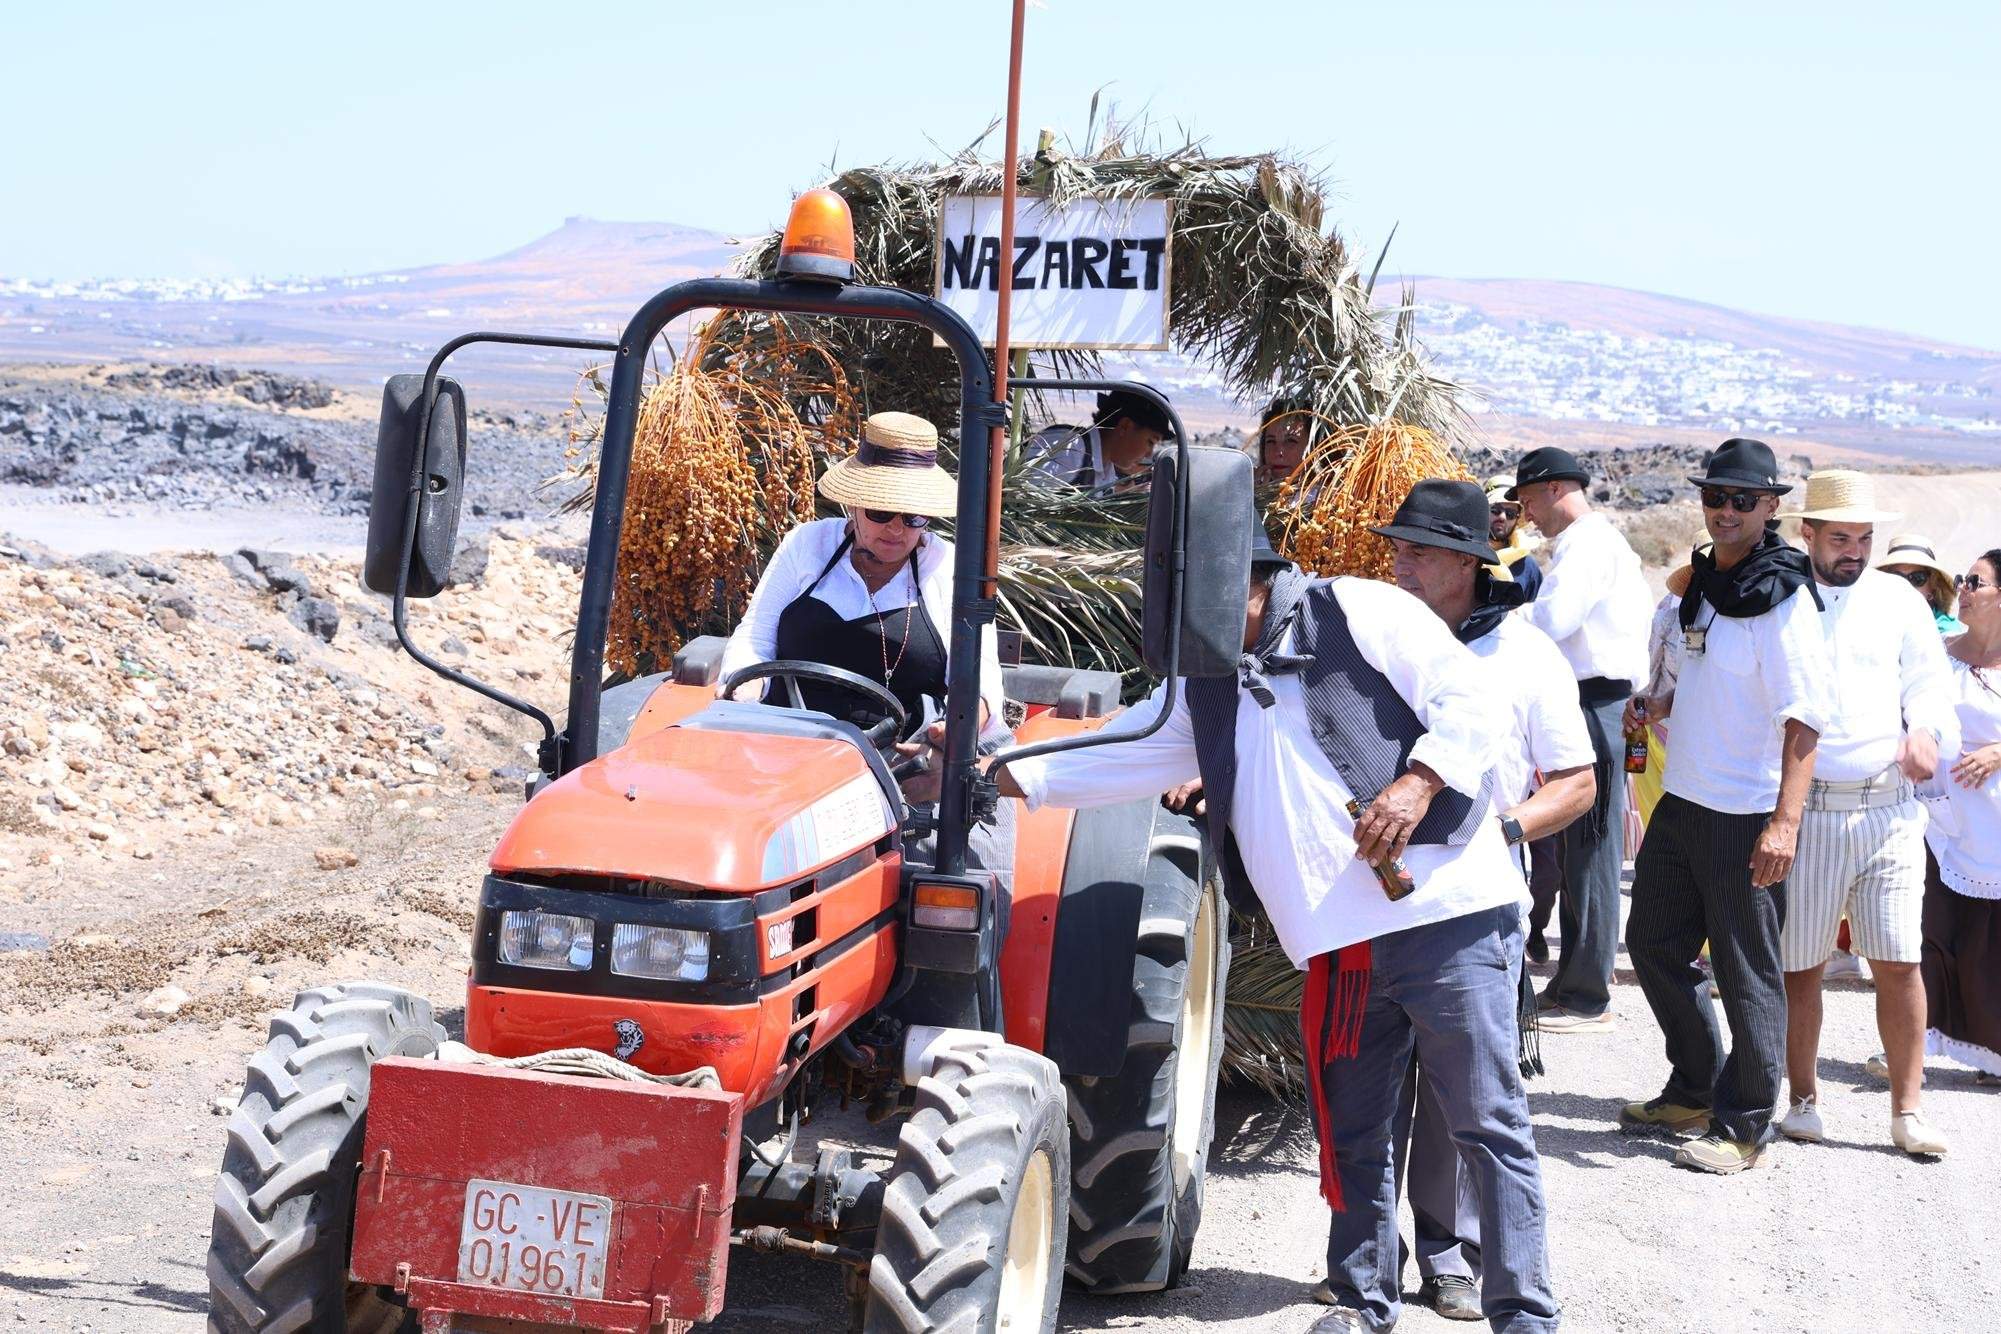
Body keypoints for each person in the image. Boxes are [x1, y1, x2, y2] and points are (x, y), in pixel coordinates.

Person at [947, 508, 1560, 1334]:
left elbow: (1471, 702)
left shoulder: (1358, 609)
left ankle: (1523, 1314)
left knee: (1486, 1122)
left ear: (1237, 583)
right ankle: (1359, 1299)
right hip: (1340, 947)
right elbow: (1120, 753)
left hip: (1447, 919)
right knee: (1354, 1129)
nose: (1169, 621)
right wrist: (993, 776)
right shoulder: (1202, 683)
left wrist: (1417, 784)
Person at [1383, 480, 1596, 1322]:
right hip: (1361, 901)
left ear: (1470, 564)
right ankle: (1365, 1260)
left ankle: (1446, 1252)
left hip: (1471, 906)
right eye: (1396, 548)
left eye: (1420, 551)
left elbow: (1576, 783)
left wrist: (1500, 832)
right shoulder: (1369, 639)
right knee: (1360, 1089)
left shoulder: (1523, 654)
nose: (1400, 563)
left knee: (1453, 1095)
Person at [1619, 438, 1836, 1174]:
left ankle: (1744, 1126)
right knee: (1650, 942)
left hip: (1745, 814)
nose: (1726, 511)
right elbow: (1698, 673)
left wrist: (1784, 822)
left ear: (1771, 508)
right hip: (1683, 800)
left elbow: (1803, 718)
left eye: (1742, 500)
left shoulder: (1783, 600)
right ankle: (1694, 1086)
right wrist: (1655, 702)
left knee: (1747, 974)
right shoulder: (1703, 583)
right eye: (1715, 497)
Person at [719, 410, 1013, 891]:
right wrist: (745, 700)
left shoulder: (948, 568)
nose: (896, 529)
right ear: (854, 506)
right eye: (880, 512)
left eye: (913, 516)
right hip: (786, 746)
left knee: (971, 863)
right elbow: (755, 634)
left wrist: (955, 728)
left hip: (901, 758)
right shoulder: (807, 547)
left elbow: (980, 682)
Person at [1771, 471, 1956, 1157]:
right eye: (1840, 537)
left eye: (1863, 538)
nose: (1853, 550)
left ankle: (1906, 1112)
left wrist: (1927, 730)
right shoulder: (1780, 597)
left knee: (1897, 962)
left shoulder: (1895, 600)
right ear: (1808, 533)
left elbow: (1927, 681)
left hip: (1888, 811)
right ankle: (1801, 1100)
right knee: (1801, 967)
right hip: (1808, 810)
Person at [1508, 446, 1651, 1033]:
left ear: (1551, 489)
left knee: (1591, 850)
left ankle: (1589, 994)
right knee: (1579, 850)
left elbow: (1554, 620)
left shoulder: (1587, 545)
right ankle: (1575, 981)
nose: (1526, 514)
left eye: (1527, 500)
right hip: (1595, 700)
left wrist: (1498, 622)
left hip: (1597, 701)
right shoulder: (1594, 543)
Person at [1917, 547, 2001, 1088]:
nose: (1962, 588)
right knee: (1930, 931)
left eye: (1977, 581)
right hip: (1936, 818)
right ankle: (1915, 1044)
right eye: (1962, 579)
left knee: (1987, 942)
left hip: (1993, 825)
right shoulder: (1937, 655)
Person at [1020, 386, 1174, 493]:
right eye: (1150, 442)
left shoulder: (1105, 468)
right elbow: (1021, 500)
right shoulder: (1071, 451)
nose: (1148, 454)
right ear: (1125, 426)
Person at [1880, 533, 1967, 637]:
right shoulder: (1874, 624)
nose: (1905, 585)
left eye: (1917, 578)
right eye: (1897, 577)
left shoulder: (1948, 634)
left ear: (1933, 589)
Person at [1484, 474, 1543, 601]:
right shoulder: (1465, 557)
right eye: (1495, 510)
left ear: (1517, 519)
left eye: (1510, 514)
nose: (1502, 517)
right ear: (1483, 511)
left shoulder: (1528, 568)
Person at [1257, 396, 1312, 488]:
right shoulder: (1248, 494)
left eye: (1290, 441)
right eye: (1271, 441)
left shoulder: (1331, 498)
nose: (1278, 452)